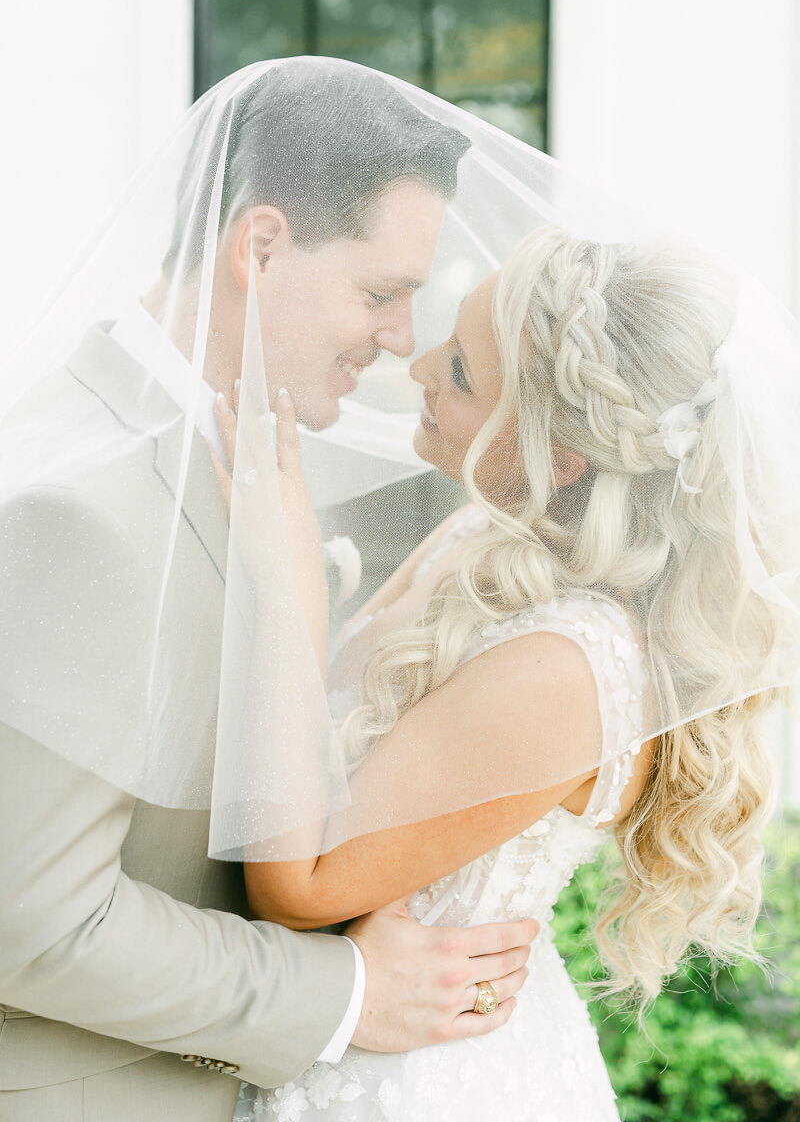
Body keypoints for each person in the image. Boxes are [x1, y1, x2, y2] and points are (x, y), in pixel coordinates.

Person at [0, 60, 537, 1122]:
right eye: (381, 293)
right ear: (259, 244)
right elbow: (33, 917)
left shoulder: (255, 455)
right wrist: (345, 993)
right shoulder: (84, 513)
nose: (398, 339)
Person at [215, 223, 792, 1121]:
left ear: (561, 457)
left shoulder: (569, 664)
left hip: (421, 1081)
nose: (415, 366)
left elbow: (301, 888)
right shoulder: (481, 538)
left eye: (458, 371)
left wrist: (289, 595)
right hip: (341, 1033)